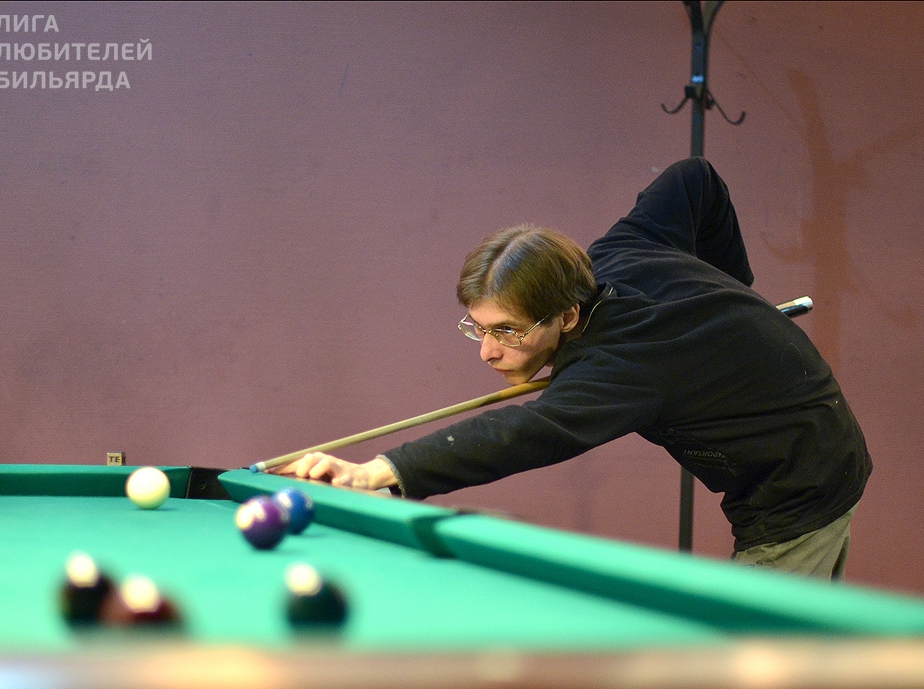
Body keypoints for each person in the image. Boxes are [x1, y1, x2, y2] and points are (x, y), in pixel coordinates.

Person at [277, 158, 871, 579]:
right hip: (780, 441)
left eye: (508, 331)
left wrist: (381, 472)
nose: (487, 351)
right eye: (479, 327)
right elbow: (695, 179)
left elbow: (525, 433)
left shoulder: (621, 368)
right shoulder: (615, 253)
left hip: (803, 475)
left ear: (565, 314)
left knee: (755, 669)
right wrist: (735, 293)